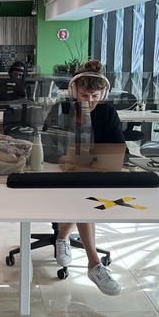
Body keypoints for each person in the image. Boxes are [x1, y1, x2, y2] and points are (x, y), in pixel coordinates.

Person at [54, 60, 124, 296]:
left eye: (95, 95)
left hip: (94, 173)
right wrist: (67, 158)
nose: (90, 101)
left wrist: (84, 160)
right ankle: (93, 263)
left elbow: (119, 151)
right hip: (60, 174)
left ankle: (63, 237)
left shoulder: (107, 112)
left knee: (83, 195)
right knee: (83, 198)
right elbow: (47, 145)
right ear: (74, 92)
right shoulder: (61, 109)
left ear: (102, 93)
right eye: (84, 95)